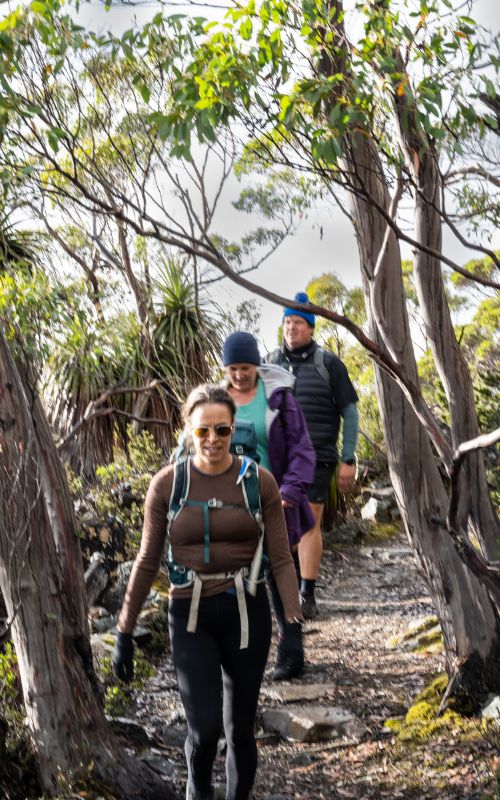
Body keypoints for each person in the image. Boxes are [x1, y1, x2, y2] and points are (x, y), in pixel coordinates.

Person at [112, 384, 302, 800]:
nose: (212, 440)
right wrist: (124, 632)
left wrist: (293, 623)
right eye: (203, 432)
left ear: (234, 428)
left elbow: (282, 559)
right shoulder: (167, 484)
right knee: (204, 729)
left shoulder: (259, 482)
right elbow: (146, 560)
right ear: (188, 431)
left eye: (221, 430)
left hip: (246, 613)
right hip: (189, 612)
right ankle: (197, 789)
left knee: (240, 730)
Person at [222, 331, 316, 681]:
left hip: (276, 501)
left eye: (245, 367)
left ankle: (292, 652)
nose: (239, 375)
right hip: (231, 507)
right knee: (239, 580)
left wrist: (289, 491)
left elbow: (302, 448)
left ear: (256, 365)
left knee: (280, 575)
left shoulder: (278, 398)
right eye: (233, 368)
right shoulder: (217, 401)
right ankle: (245, 653)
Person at [267, 292, 359, 619]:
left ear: (310, 328)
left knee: (309, 521)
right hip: (277, 461)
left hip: (318, 456)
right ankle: (287, 586)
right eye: (287, 322)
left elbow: (350, 411)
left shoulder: (328, 364)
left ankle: (307, 594)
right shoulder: (270, 363)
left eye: (298, 323)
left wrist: (348, 458)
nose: (291, 328)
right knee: (280, 523)